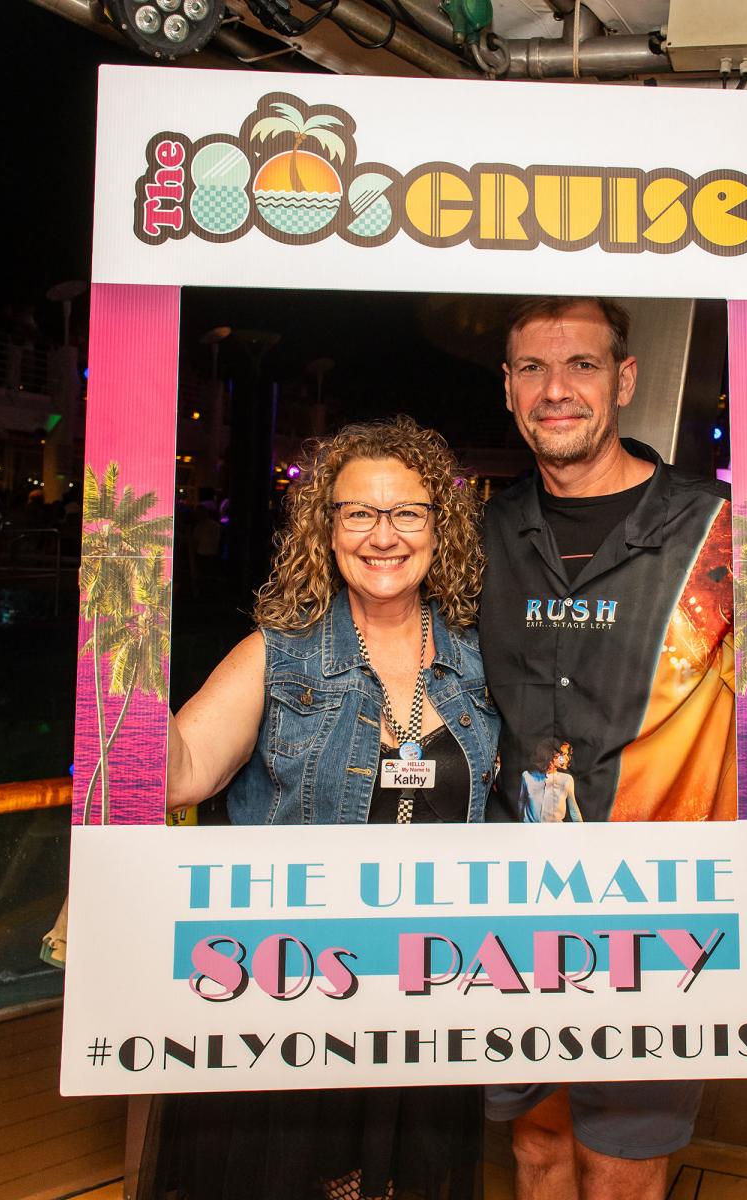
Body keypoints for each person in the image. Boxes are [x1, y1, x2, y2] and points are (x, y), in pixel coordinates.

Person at [156, 415, 500, 1200]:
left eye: (407, 512)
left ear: (440, 528)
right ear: (327, 529)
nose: (383, 535)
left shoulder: (481, 660)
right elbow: (182, 774)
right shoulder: (276, 655)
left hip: (429, 996)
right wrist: (124, 653)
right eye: (359, 513)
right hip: (295, 998)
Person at [479, 297, 736, 1200]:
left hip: (655, 912)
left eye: (581, 365)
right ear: (508, 387)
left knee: (621, 1166)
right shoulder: (482, 536)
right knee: (537, 1149)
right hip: (512, 905)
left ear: (624, 379)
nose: (556, 390)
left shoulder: (725, 536)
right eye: (533, 369)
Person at [519, 736, 582, 822]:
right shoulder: (527, 776)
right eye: (563, 755)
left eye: (567, 755)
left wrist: (581, 829)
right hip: (530, 829)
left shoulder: (567, 780)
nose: (567, 758)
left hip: (556, 830)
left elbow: (574, 810)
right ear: (550, 755)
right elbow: (521, 803)